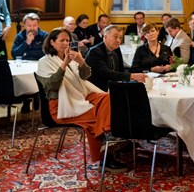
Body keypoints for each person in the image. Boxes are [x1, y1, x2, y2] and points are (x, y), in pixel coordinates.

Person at [35, 27, 127, 172]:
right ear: (52, 42)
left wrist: (81, 62)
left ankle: (109, 139)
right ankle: (106, 157)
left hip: (81, 96)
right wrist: (64, 63)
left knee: (109, 98)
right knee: (96, 117)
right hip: (60, 106)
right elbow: (52, 86)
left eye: (68, 40)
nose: (66, 43)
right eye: (62, 40)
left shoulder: (72, 57)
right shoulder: (44, 62)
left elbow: (85, 77)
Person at [85, 25, 146, 92]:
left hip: (112, 88)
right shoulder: (94, 52)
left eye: (120, 38)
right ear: (105, 36)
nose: (118, 40)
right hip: (97, 90)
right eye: (115, 37)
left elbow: (119, 72)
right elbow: (105, 73)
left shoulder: (115, 52)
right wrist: (131, 76)